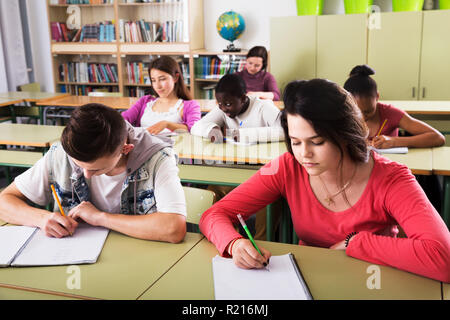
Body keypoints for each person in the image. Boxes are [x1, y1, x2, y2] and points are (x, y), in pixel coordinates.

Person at [199, 79, 450, 283]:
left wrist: (356, 241)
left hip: (374, 280)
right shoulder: (287, 166)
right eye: (295, 142)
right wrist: (233, 243)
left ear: (345, 135)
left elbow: (443, 259)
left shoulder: (392, 178)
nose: (304, 154)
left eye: (317, 142)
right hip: (308, 278)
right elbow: (213, 215)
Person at [0, 103, 186, 243]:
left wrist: (100, 218)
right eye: (79, 166)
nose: (86, 175)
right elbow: (4, 201)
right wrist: (41, 218)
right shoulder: (62, 153)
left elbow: (173, 228)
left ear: (126, 149)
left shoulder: (158, 158)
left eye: (97, 169)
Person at [343, 65, 445, 149]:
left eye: (368, 112)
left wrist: (394, 141)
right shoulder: (343, 113)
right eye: (357, 112)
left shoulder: (390, 113)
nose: (363, 118)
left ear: (377, 97)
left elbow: (438, 137)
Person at [190, 73, 284, 144]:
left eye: (228, 104)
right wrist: (211, 129)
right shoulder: (222, 108)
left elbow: (285, 131)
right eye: (219, 103)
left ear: (243, 99)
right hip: (237, 159)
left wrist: (244, 134)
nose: (223, 108)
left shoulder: (264, 107)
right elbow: (195, 127)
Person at [122, 56, 201, 135]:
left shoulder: (190, 105)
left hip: (173, 146)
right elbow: (122, 120)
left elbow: (194, 129)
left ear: (175, 78)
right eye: (153, 80)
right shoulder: (145, 102)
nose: (158, 86)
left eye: (162, 79)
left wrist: (167, 124)